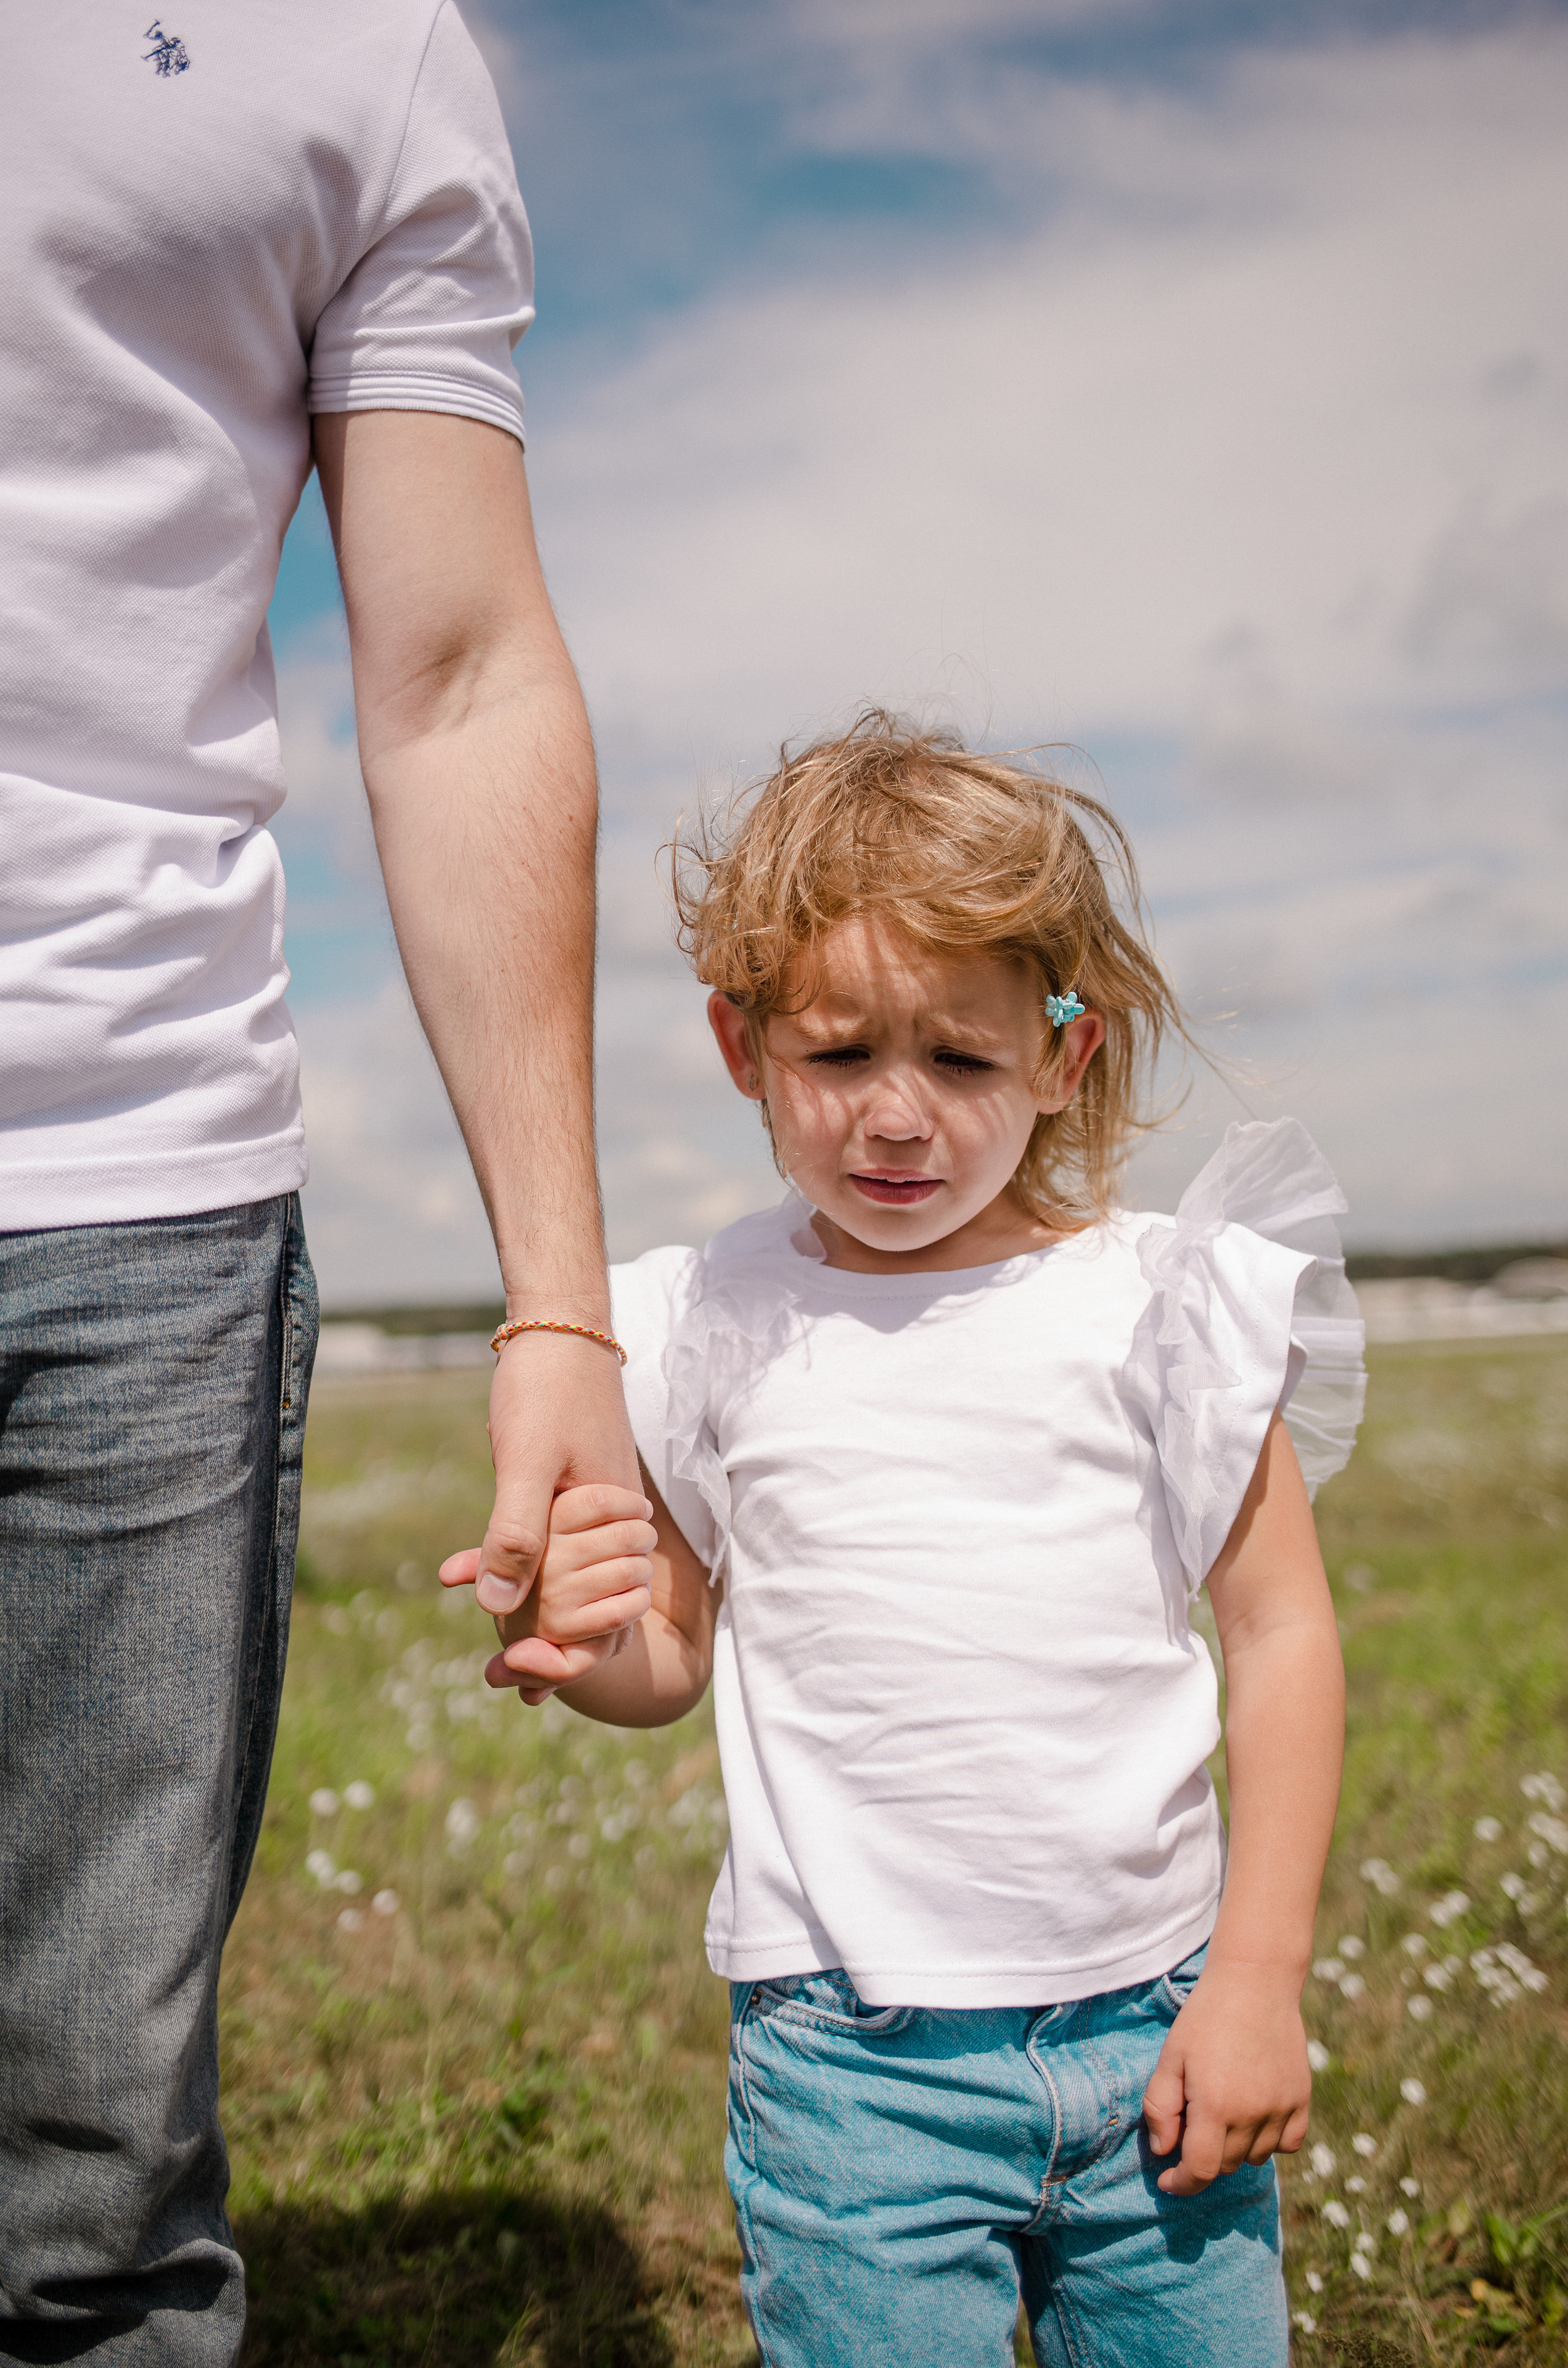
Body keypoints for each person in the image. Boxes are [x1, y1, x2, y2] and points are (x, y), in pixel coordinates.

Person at [1, 5, 635, 2358]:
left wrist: (557, 1301)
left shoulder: (367, 49)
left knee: (89, 2182)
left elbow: (458, 672)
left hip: (144, 1194)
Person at [465, 713, 1366, 2366]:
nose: (896, 1116)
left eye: (960, 1060)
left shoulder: (1161, 1303)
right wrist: (587, 1646)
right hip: (850, 2070)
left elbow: (1282, 1634)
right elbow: (675, 1657)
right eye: (837, 1056)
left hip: (1161, 2015)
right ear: (743, 1048)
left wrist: (1260, 1978)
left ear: (1062, 1058)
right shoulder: (709, 1321)